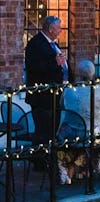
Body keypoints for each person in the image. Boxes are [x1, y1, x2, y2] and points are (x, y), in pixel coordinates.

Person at [57, 60, 100, 186]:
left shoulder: (69, 90)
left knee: (66, 139)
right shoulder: (98, 90)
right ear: (93, 74)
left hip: (69, 134)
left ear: (77, 74)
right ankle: (87, 168)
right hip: (90, 134)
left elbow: (61, 104)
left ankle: (71, 169)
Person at [25, 16, 70, 153]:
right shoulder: (36, 43)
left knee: (52, 130)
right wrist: (55, 63)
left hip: (56, 94)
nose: (61, 31)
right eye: (58, 28)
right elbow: (34, 67)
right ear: (50, 29)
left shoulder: (53, 44)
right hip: (43, 97)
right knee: (43, 131)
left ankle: (49, 158)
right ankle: (40, 161)